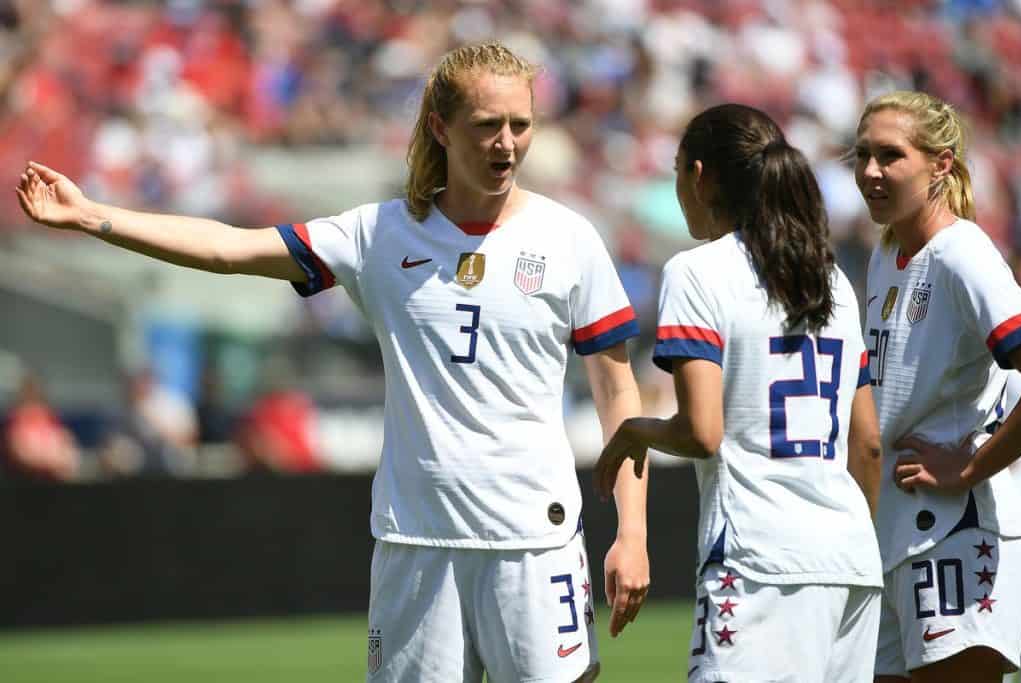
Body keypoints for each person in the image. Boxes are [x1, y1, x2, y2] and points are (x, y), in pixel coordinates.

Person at [15, 42, 650, 683]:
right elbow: (230, 249)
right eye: (487, 125)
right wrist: (95, 215)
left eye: (521, 124)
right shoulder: (378, 234)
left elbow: (619, 396)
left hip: (535, 542)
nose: (507, 143)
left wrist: (633, 530)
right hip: (416, 543)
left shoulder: (569, 239)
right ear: (441, 126)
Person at [594, 103, 883, 682]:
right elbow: (869, 445)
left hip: (758, 563)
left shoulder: (698, 272)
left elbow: (702, 434)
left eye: (678, 172)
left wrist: (633, 431)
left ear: (698, 175)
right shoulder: (834, 282)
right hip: (852, 563)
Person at [853, 91, 1021, 683]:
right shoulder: (886, 255)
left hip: (956, 529)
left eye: (890, 156)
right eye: (862, 155)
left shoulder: (962, 254)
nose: (870, 172)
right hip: (894, 531)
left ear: (941, 164)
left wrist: (972, 466)